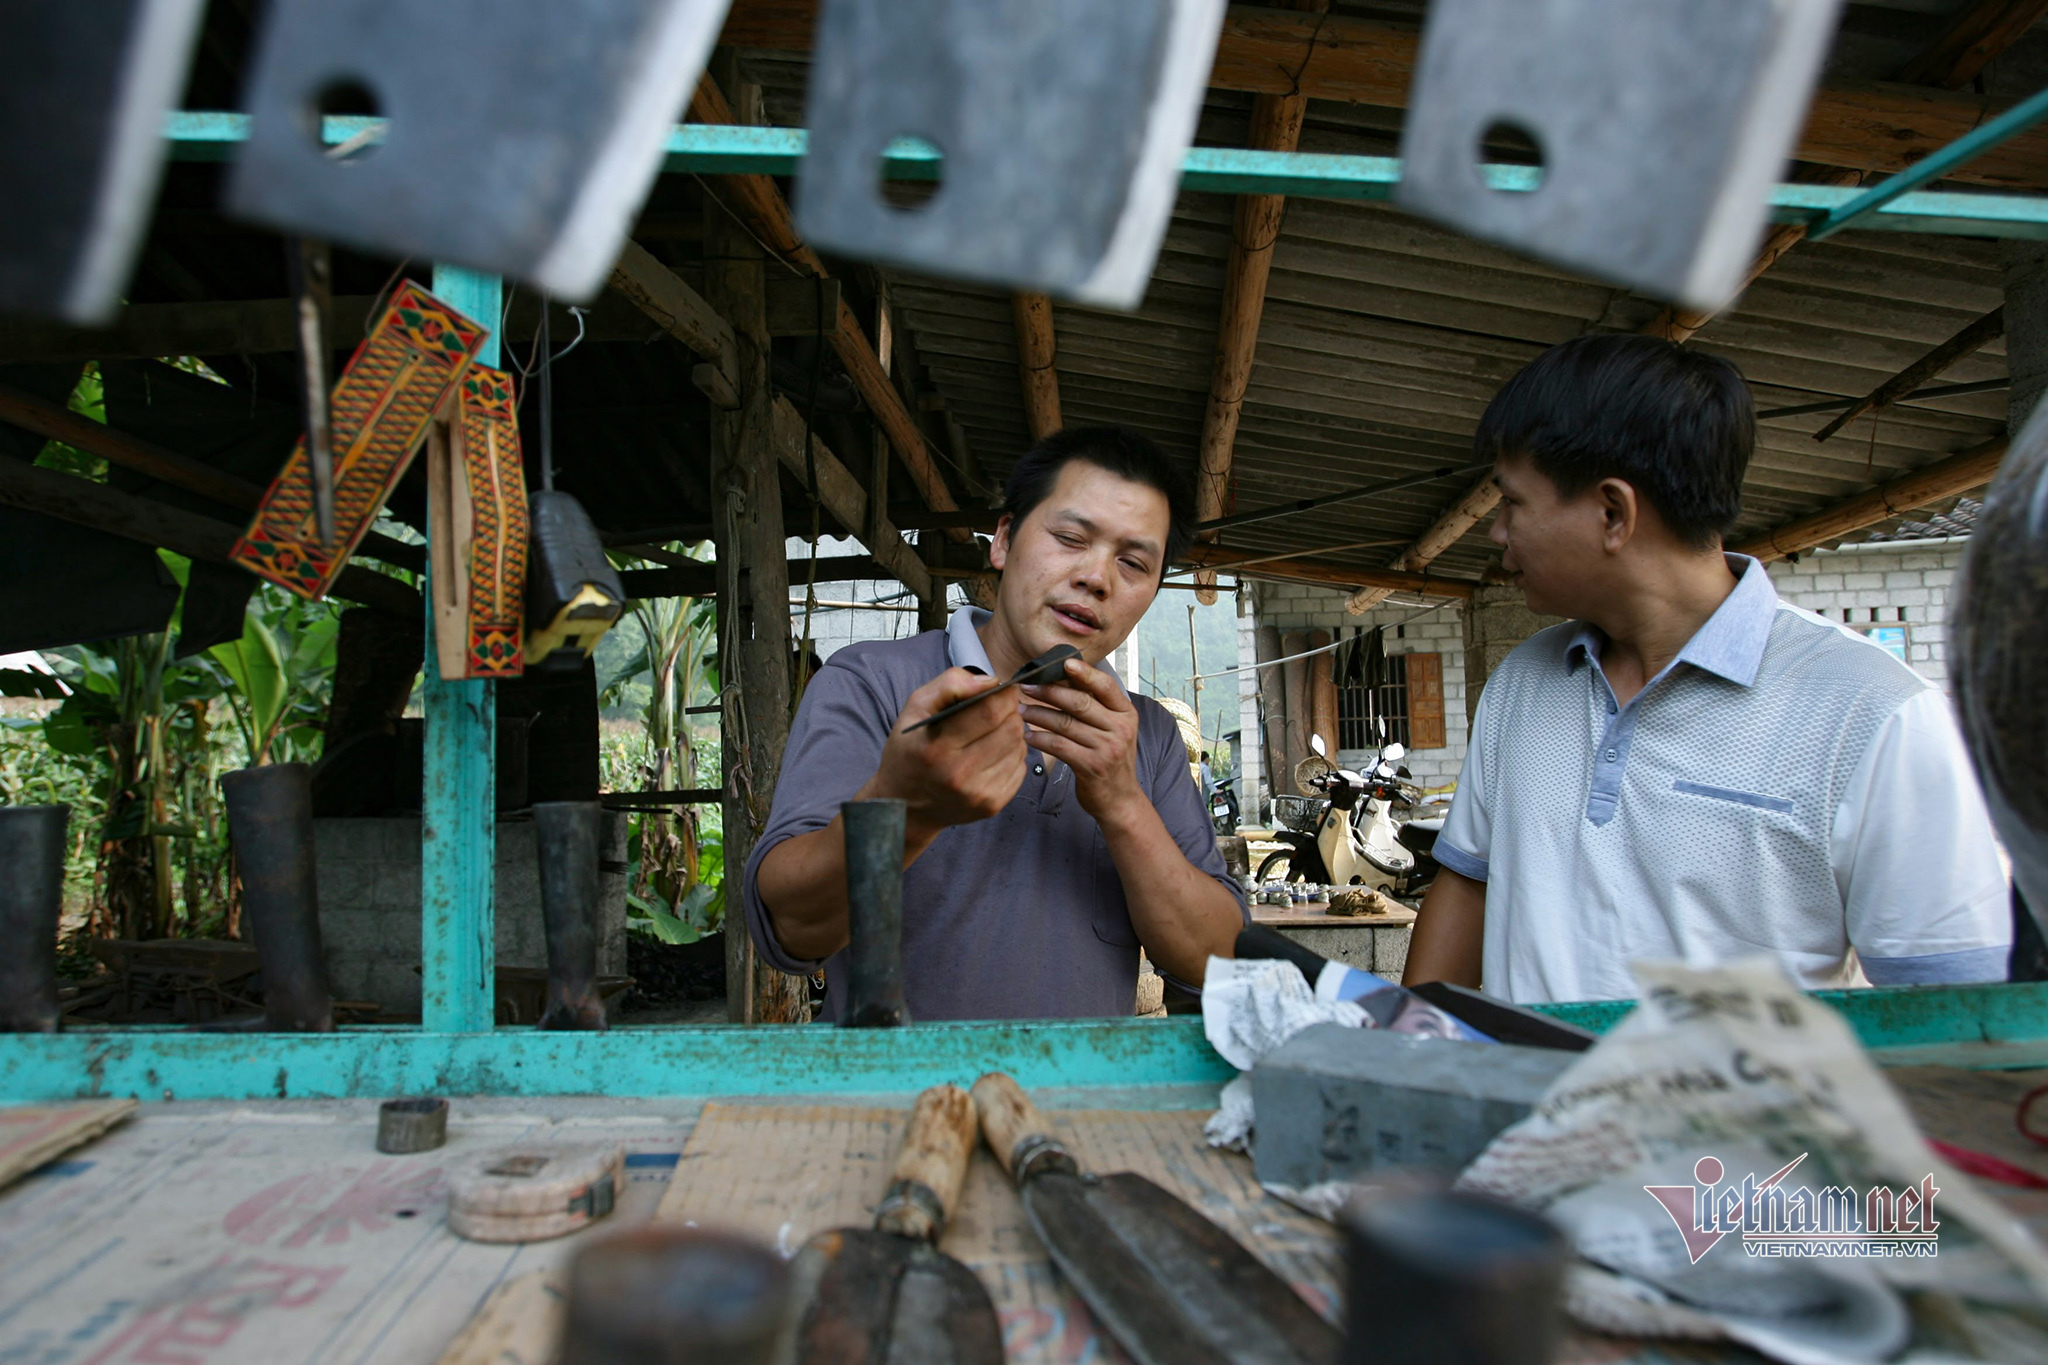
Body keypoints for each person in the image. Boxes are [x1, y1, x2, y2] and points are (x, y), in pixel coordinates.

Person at [1402, 334, 2010, 1003]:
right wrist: (1405, 1059)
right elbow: (1468, 885)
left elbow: (1958, 1011)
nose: (1497, 532)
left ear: (1613, 513)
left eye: (1512, 503)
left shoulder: (1874, 714)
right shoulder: (1522, 683)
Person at [744, 426, 1247, 1021]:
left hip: (1076, 1110)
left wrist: (1121, 801)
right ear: (1004, 540)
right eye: (1069, 538)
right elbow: (789, 931)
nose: (1097, 577)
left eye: (1133, 563)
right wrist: (907, 807)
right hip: (894, 1103)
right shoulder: (873, 684)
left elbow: (1216, 960)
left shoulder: (1151, 735)